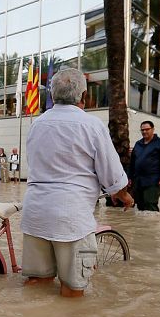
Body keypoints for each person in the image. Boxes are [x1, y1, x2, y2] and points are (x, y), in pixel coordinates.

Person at [21, 68, 134, 298]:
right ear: (83, 95)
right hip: (71, 219)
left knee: (38, 283)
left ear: (52, 95)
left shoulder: (37, 124)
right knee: (72, 290)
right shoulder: (91, 125)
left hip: (35, 214)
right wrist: (124, 196)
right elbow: (112, 174)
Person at [128, 121, 160, 211]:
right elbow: (132, 163)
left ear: (153, 129)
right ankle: (142, 221)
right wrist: (129, 177)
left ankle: (153, 220)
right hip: (138, 181)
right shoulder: (138, 144)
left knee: (150, 203)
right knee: (140, 205)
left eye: (147, 129)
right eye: (142, 130)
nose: (144, 132)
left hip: (153, 180)